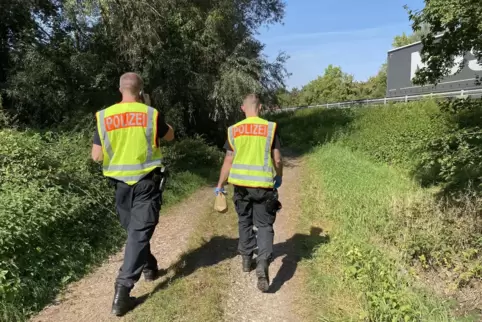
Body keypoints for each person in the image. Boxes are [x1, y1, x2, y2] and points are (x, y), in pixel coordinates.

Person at [91, 72, 175, 316]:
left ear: (120, 89)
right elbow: (169, 135)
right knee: (137, 233)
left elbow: (96, 156)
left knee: (136, 231)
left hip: (120, 185)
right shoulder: (150, 114)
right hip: (146, 181)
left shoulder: (104, 116)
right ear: (141, 91)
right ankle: (141, 271)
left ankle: (124, 288)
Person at [215, 93, 283, 292]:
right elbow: (277, 159)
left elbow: (228, 159)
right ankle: (262, 263)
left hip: (240, 187)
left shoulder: (234, 130)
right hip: (263, 186)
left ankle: (246, 260)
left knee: (244, 220)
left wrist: (220, 184)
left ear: (242, 108)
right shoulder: (270, 128)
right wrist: (278, 177)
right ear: (260, 107)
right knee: (263, 225)